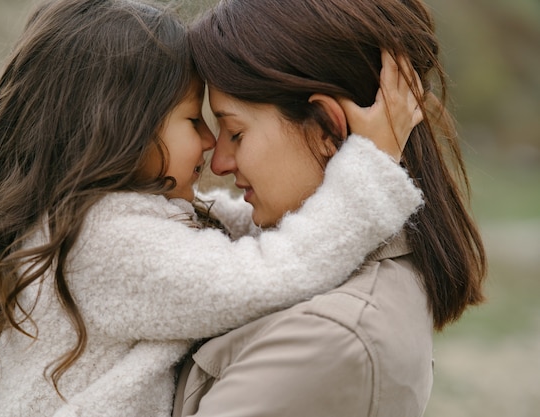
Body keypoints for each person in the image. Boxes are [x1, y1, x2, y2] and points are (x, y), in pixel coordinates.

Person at [0, 0, 425, 416]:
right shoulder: (107, 244)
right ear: (121, 129)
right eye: (194, 120)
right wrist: (370, 166)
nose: (210, 144)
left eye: (230, 130)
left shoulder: (104, 220)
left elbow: (225, 225)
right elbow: (272, 271)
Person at [172, 0, 488, 416]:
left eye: (236, 132)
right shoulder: (317, 277)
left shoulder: (330, 338)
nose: (219, 163)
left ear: (326, 126)